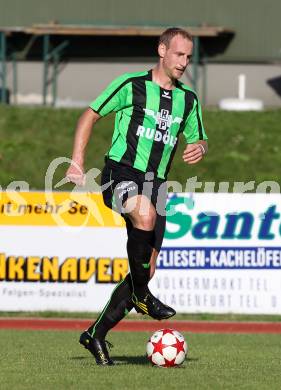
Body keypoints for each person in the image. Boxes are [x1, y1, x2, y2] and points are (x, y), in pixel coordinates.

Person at [66, 27, 208, 366]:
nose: (184, 62)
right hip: (120, 175)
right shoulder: (131, 85)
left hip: (157, 185)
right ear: (162, 50)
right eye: (178, 54)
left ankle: (96, 334)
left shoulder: (188, 99)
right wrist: (77, 161)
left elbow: (199, 137)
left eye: (189, 57)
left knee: (146, 267)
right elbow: (90, 115)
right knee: (143, 215)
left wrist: (199, 147)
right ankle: (144, 297)